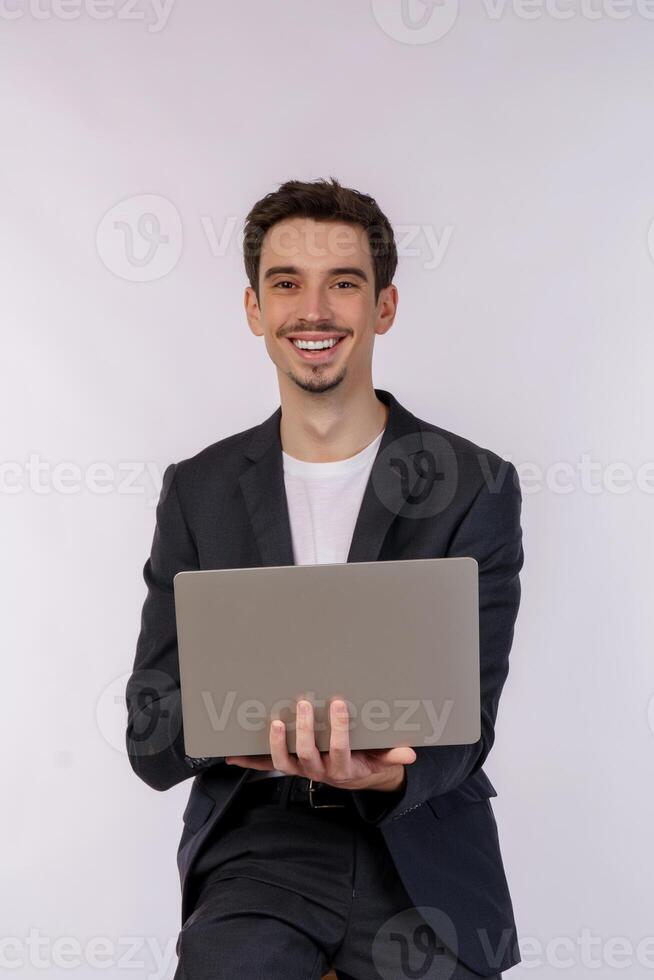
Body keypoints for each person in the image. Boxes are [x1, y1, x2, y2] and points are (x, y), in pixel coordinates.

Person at [125, 177, 524, 979]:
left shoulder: (473, 481)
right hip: (260, 846)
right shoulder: (198, 490)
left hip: (419, 846)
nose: (314, 311)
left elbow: (469, 721)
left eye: (343, 283)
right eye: (286, 284)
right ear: (254, 310)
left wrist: (386, 773)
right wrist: (222, 729)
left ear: (384, 308)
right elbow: (150, 732)